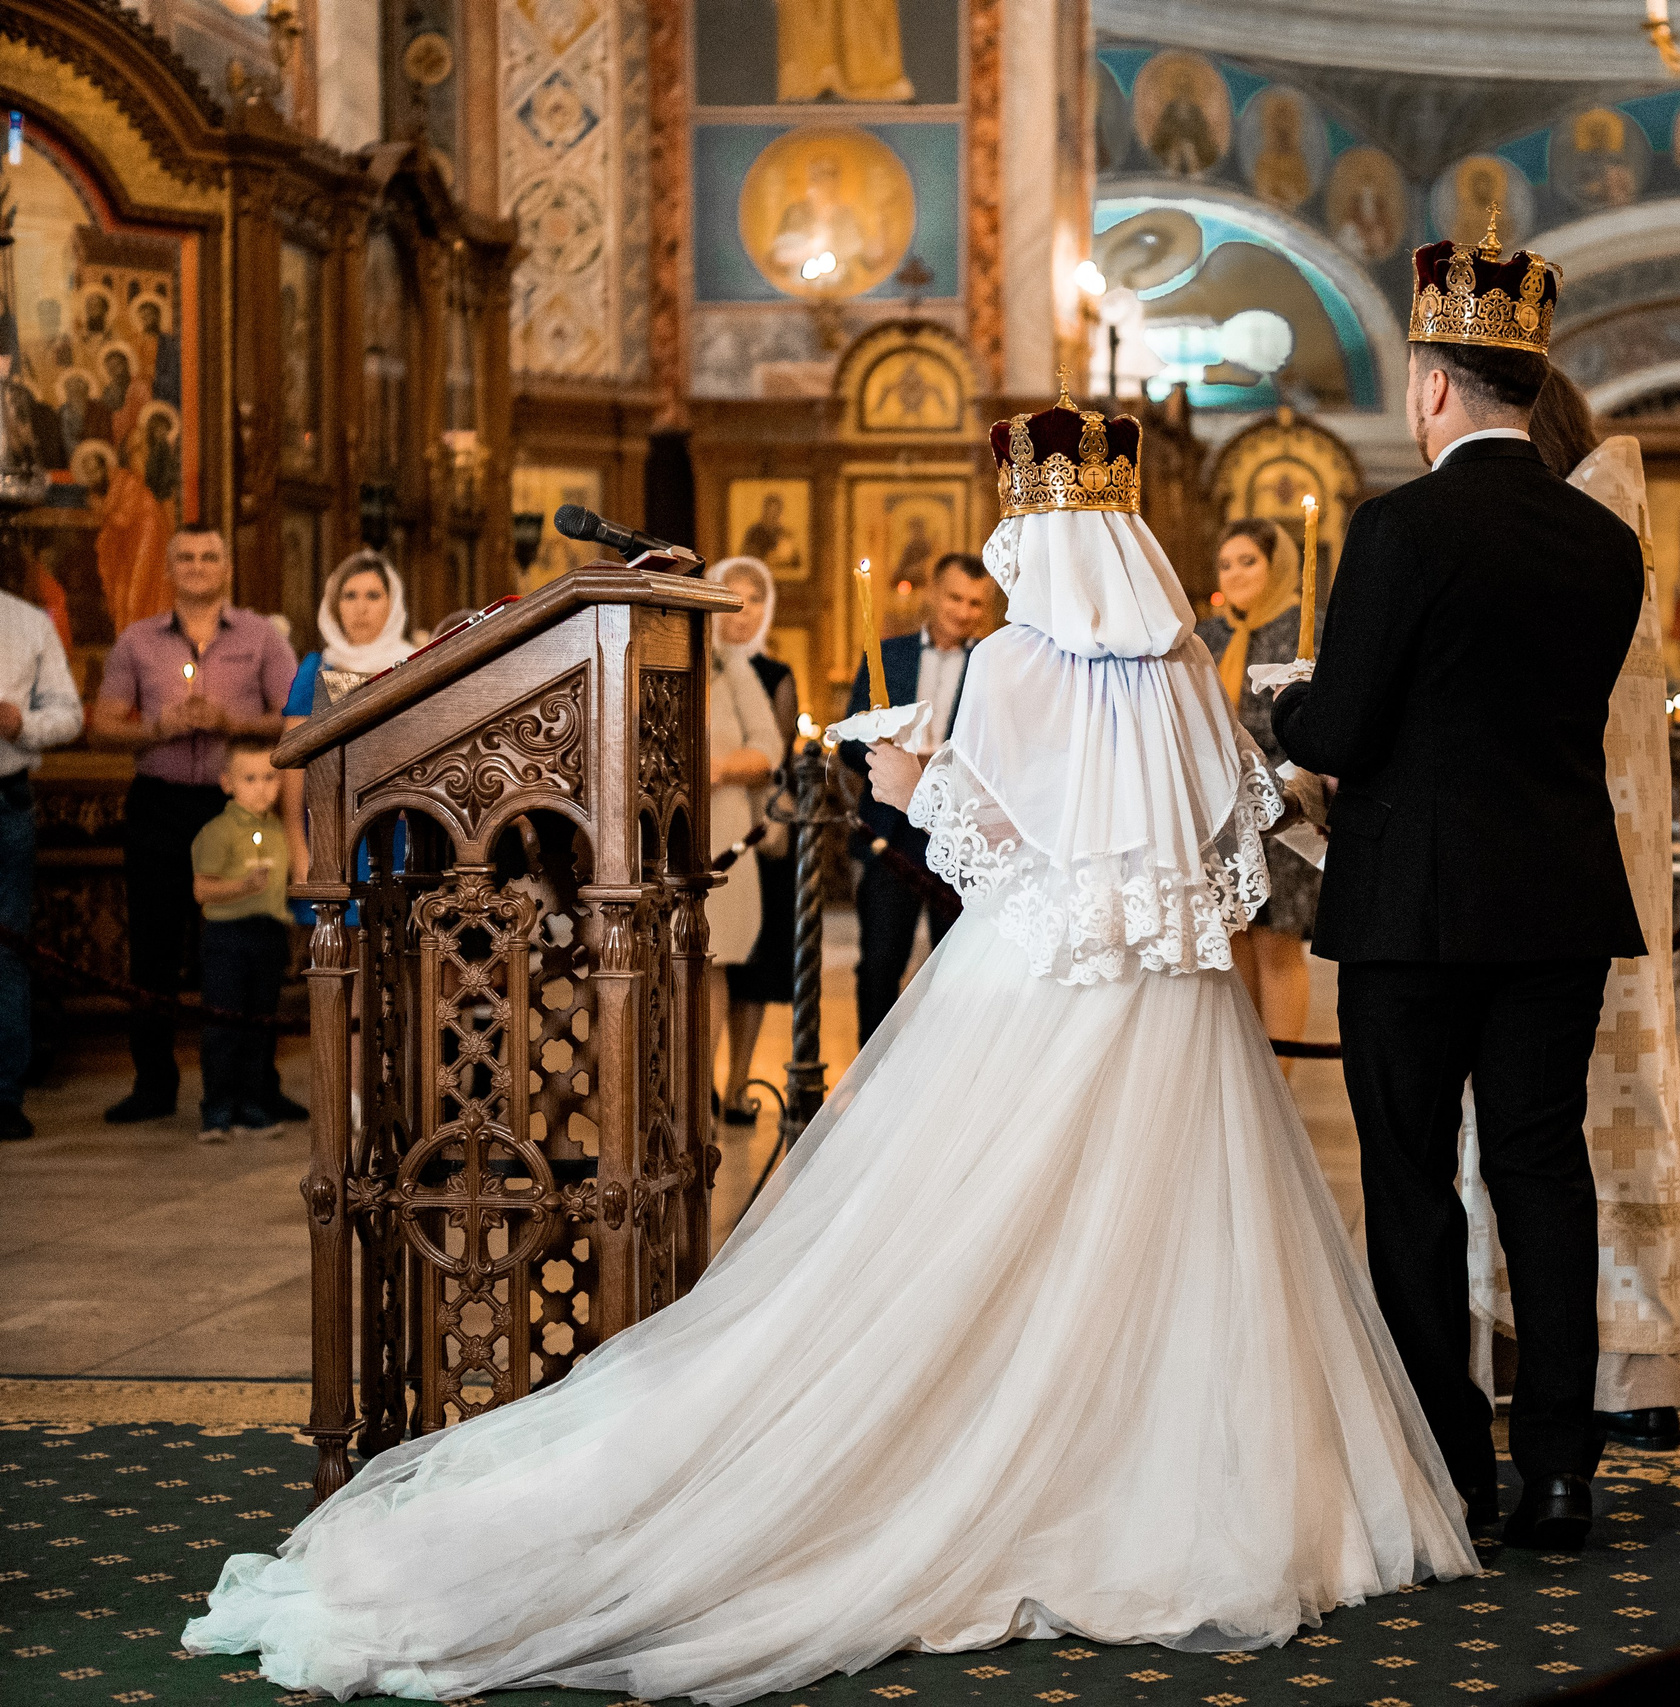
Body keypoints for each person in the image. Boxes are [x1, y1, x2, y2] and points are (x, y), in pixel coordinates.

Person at [184, 391, 1473, 1703]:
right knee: (1178, 1227)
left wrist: (908, 781)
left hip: (1035, 985)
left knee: (962, 1229)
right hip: (1179, 1000)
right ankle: (1179, 1479)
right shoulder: (1185, 662)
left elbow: (983, 845)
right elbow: (1231, 829)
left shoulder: (1015, 661)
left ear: (1032, 535)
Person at [1271, 226, 1644, 1552]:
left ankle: (1448, 1467)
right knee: (1543, 1169)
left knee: (1413, 1178)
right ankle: (1561, 1471)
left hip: (1414, 910)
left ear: (1433, 385)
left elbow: (1344, 729)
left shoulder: (1398, 527)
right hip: (1556, 899)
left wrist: (1287, 705)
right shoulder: (1603, 540)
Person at [1457, 371, 1680, 1455]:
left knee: (1524, 1137)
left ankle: (1525, 1364)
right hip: (1603, 880)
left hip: (1511, 884)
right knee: (1568, 1138)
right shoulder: (1607, 540)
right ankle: (1616, 1377)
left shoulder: (1536, 546)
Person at [90, 526, 298, 1125]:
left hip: (239, 808)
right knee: (154, 948)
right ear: (168, 567)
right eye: (185, 557)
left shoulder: (261, 638)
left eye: (209, 556)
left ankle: (256, 1084)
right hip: (158, 806)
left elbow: (297, 719)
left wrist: (231, 722)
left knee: (248, 943)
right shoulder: (137, 641)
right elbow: (102, 727)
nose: (198, 566)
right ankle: (153, 1084)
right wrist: (157, 729)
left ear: (226, 566)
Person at [841, 552, 991, 1041]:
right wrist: (889, 756)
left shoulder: (992, 665)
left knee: (956, 966)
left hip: (959, 833)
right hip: (891, 832)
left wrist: (937, 768)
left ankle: (949, 1066)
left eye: (975, 603)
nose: (964, 612)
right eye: (954, 598)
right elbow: (849, 742)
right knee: (880, 961)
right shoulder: (888, 654)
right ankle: (872, 1072)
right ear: (932, 593)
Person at [1193, 517, 1320, 1059]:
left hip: (1281, 805)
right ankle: (1253, 1078)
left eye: (1249, 561)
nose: (1236, 574)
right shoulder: (1207, 635)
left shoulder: (1302, 628)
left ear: (1277, 566)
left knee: (1276, 946)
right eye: (1226, 564)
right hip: (1218, 807)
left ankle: (1282, 1082)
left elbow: (1310, 722)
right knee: (1234, 941)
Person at [708, 556, 798, 1125]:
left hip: (755, 829)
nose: (741, 611)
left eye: (754, 599)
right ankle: (694, 1087)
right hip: (704, 834)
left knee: (749, 966)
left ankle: (736, 1083)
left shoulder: (761, 672)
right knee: (709, 964)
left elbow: (774, 753)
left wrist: (722, 767)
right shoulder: (697, 657)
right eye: (730, 596)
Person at [0, 554, 86, 1141]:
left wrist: (21, 724)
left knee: (6, 951)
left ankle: (4, 1095)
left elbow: (69, 714)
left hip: (5, 799)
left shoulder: (27, 623)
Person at [281, 551, 418, 912]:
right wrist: (299, 853)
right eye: (349, 595)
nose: (361, 607)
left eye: (373, 595)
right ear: (334, 605)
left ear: (393, 602)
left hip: (403, 835)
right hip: (330, 838)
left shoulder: (416, 664)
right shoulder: (315, 669)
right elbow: (294, 772)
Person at [190, 740, 290, 1144]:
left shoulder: (279, 829)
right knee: (223, 1027)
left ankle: (252, 1105)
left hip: (269, 935)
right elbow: (202, 890)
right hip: (227, 938)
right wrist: (243, 886)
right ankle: (216, 1110)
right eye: (249, 779)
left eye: (270, 778)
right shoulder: (217, 832)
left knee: (259, 1026)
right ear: (227, 783)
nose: (262, 788)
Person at [704, 586, 788, 1034]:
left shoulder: (730, 666)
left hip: (723, 829)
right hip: (647, 835)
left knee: (710, 958)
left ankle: (702, 1077)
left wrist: (718, 767)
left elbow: (769, 748)